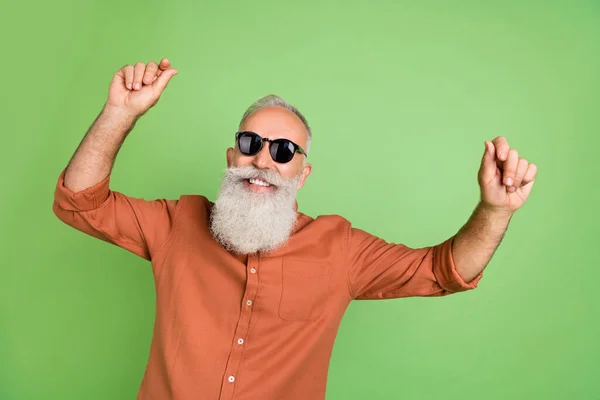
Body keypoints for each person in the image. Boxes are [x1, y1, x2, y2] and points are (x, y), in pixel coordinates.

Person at [52, 58, 537, 400]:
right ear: (231, 157)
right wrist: (120, 113)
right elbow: (79, 203)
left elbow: (444, 270)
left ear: (302, 174)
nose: (263, 160)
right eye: (250, 143)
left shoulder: (340, 250)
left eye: (284, 151)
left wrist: (495, 210)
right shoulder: (178, 222)